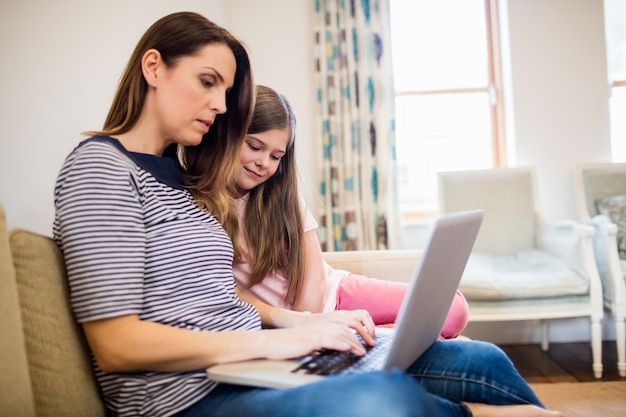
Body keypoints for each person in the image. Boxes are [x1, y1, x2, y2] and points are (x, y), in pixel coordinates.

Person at [52, 11, 565, 417]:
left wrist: (295, 322)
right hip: (185, 396)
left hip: (249, 361)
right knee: (388, 402)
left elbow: (211, 295)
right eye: (207, 82)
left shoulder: (179, 176)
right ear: (154, 67)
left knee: (479, 358)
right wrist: (283, 340)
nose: (218, 105)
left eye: (225, 93)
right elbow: (118, 345)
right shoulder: (101, 167)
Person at [212, 85, 468, 338]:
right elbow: (224, 293)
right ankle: (375, 336)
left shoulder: (281, 196)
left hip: (335, 293)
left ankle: (369, 333)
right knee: (432, 336)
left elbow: (311, 276)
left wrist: (315, 322)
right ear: (230, 134)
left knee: (453, 309)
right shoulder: (199, 207)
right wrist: (308, 329)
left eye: (276, 156)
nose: (263, 163)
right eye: (255, 147)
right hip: (292, 326)